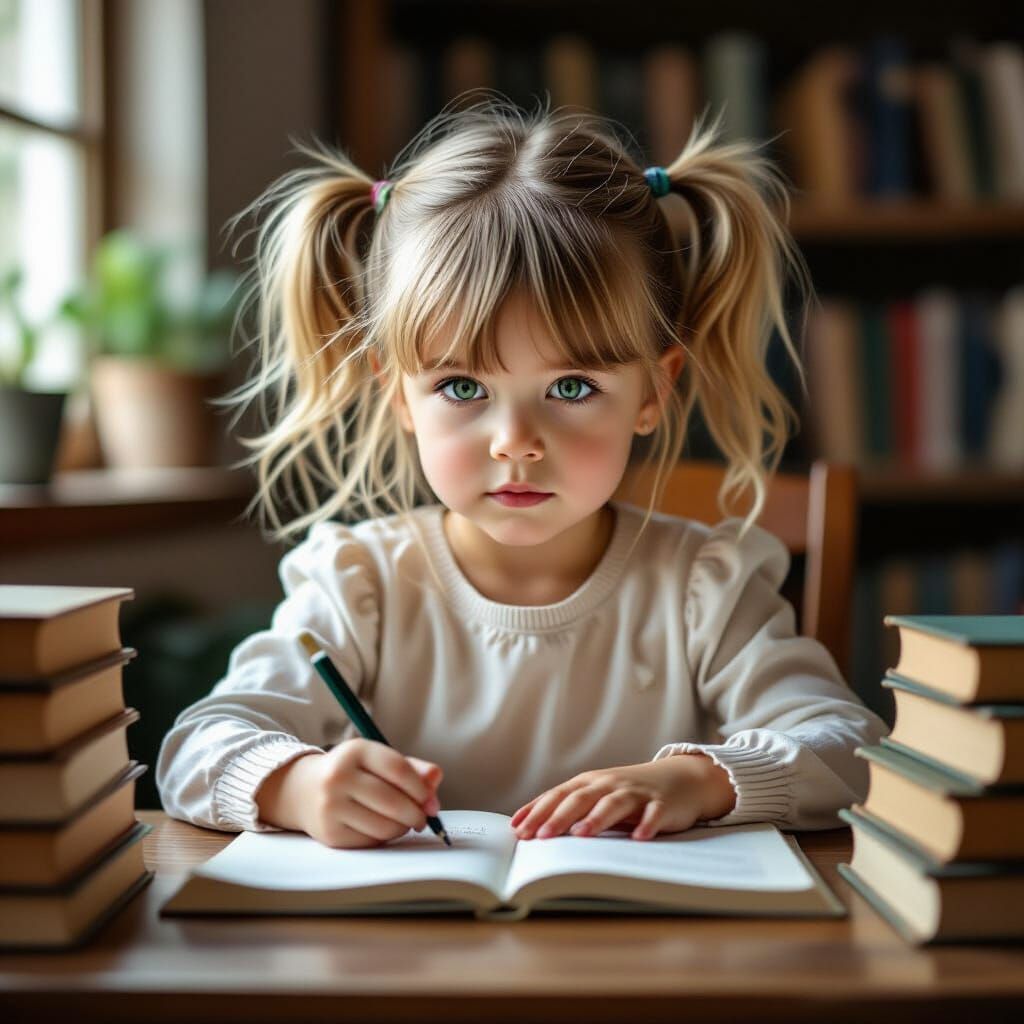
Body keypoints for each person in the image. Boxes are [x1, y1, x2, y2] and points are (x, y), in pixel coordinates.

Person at [156, 98, 887, 850]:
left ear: (654, 392)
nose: (516, 444)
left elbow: (852, 750)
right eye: (462, 388)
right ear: (396, 392)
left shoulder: (706, 586)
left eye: (571, 388)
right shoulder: (359, 585)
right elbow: (196, 749)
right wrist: (298, 786)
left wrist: (700, 781)